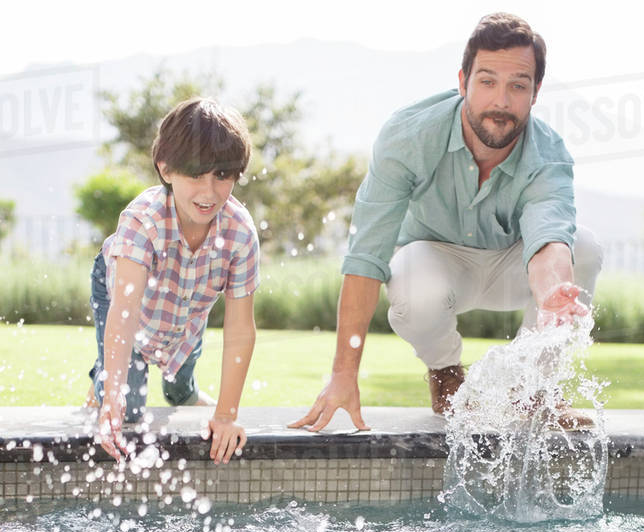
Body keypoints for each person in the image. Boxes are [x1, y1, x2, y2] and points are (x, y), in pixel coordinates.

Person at [290, 12, 603, 434]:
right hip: (436, 261)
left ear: (535, 93)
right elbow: (366, 256)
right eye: (487, 81)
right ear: (463, 82)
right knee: (410, 277)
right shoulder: (408, 136)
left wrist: (553, 295)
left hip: (513, 264)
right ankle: (445, 373)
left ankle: (536, 390)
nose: (501, 101)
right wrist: (344, 374)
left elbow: (550, 240)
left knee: (584, 248)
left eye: (518, 86)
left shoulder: (548, 155)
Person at [88, 97, 260, 464]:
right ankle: (103, 379)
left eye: (222, 176)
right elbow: (124, 313)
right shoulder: (142, 221)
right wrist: (113, 398)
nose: (209, 192)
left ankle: (116, 379)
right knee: (129, 409)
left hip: (187, 311)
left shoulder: (240, 233)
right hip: (121, 298)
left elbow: (241, 329)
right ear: (166, 170)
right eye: (195, 175)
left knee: (180, 391)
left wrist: (227, 416)